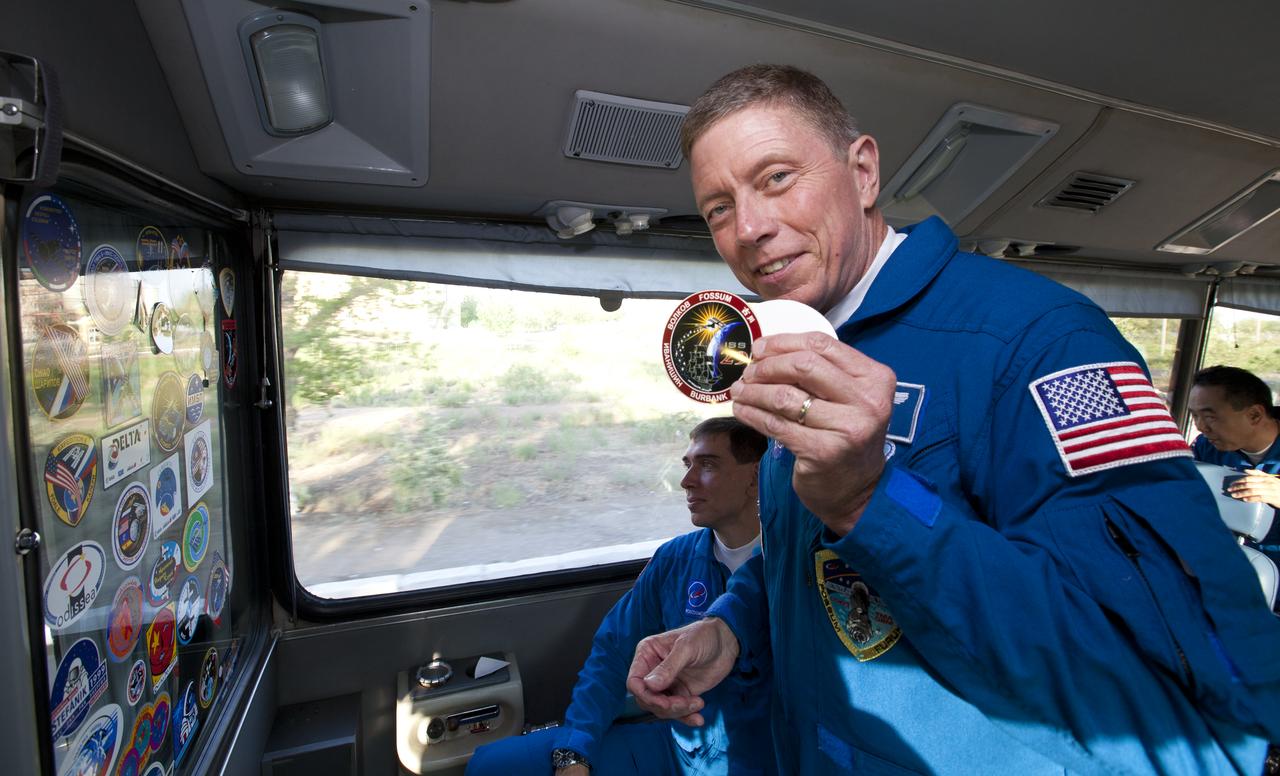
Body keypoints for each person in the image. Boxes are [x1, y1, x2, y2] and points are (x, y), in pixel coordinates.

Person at [626, 64, 1280, 775]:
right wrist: (733, 625)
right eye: (719, 209)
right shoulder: (792, 346)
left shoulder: (1043, 342)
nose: (749, 228)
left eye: (777, 178)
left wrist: (871, 501)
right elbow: (810, 554)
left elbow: (1179, 715)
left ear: (864, 173)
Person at [466, 417, 774, 776]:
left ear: (755, 477)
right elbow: (612, 654)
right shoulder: (675, 559)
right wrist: (575, 751)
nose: (686, 481)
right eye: (687, 465)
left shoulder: (793, 571)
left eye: (707, 465)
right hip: (681, 748)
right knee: (491, 766)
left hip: (765, 757)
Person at [1189, 365, 1280, 563]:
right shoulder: (1206, 448)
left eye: (1210, 417)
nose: (1201, 427)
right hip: (1223, 558)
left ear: (1254, 415)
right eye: (1195, 416)